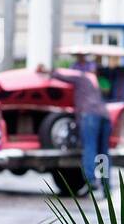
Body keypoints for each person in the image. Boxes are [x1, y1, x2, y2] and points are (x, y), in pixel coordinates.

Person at [37, 55, 110, 197]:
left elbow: (60, 76)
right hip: (104, 115)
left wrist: (45, 70)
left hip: (89, 115)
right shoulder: (94, 83)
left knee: (90, 147)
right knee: (103, 153)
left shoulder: (81, 77)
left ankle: (91, 181)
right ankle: (106, 187)